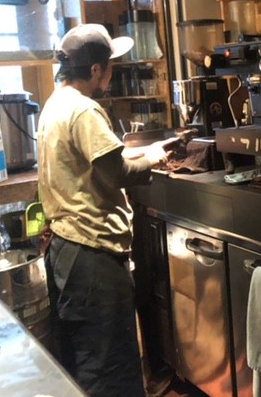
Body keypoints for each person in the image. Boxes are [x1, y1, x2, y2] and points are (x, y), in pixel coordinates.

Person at [37, 23, 175, 397]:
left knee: (86, 357)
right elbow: (117, 173)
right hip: (92, 257)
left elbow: (96, 158)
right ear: (96, 69)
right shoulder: (85, 110)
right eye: (110, 66)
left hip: (67, 251)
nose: (111, 73)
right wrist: (153, 158)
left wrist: (143, 150)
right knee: (110, 365)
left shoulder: (56, 103)